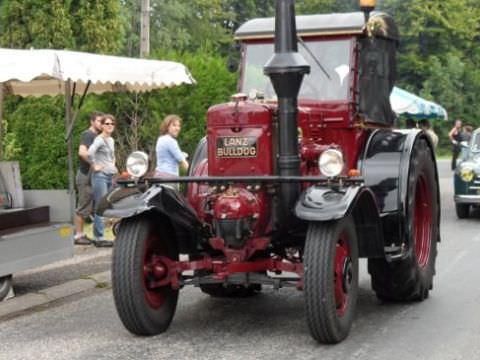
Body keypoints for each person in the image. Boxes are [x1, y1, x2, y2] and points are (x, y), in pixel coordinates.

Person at [88, 114, 118, 247]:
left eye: (112, 124)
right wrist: (94, 166)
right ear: (102, 126)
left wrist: (113, 165)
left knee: (107, 205)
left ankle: (100, 236)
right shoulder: (99, 139)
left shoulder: (111, 140)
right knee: (100, 206)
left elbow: (112, 156)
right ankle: (98, 238)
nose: (110, 126)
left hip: (110, 176)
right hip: (100, 176)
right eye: (107, 124)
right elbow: (89, 153)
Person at [74, 112, 103, 245]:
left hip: (92, 177)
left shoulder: (98, 137)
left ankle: (84, 234)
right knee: (83, 206)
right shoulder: (88, 134)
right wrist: (93, 164)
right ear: (92, 122)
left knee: (90, 206)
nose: (101, 124)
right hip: (85, 175)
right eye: (98, 121)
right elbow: (82, 153)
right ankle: (78, 236)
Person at [155, 115, 189, 181]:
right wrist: (193, 175)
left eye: (179, 126)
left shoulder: (160, 139)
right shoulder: (171, 141)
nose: (177, 128)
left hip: (158, 176)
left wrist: (181, 155)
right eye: (174, 125)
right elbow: (182, 161)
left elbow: (168, 156)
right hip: (169, 178)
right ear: (167, 126)